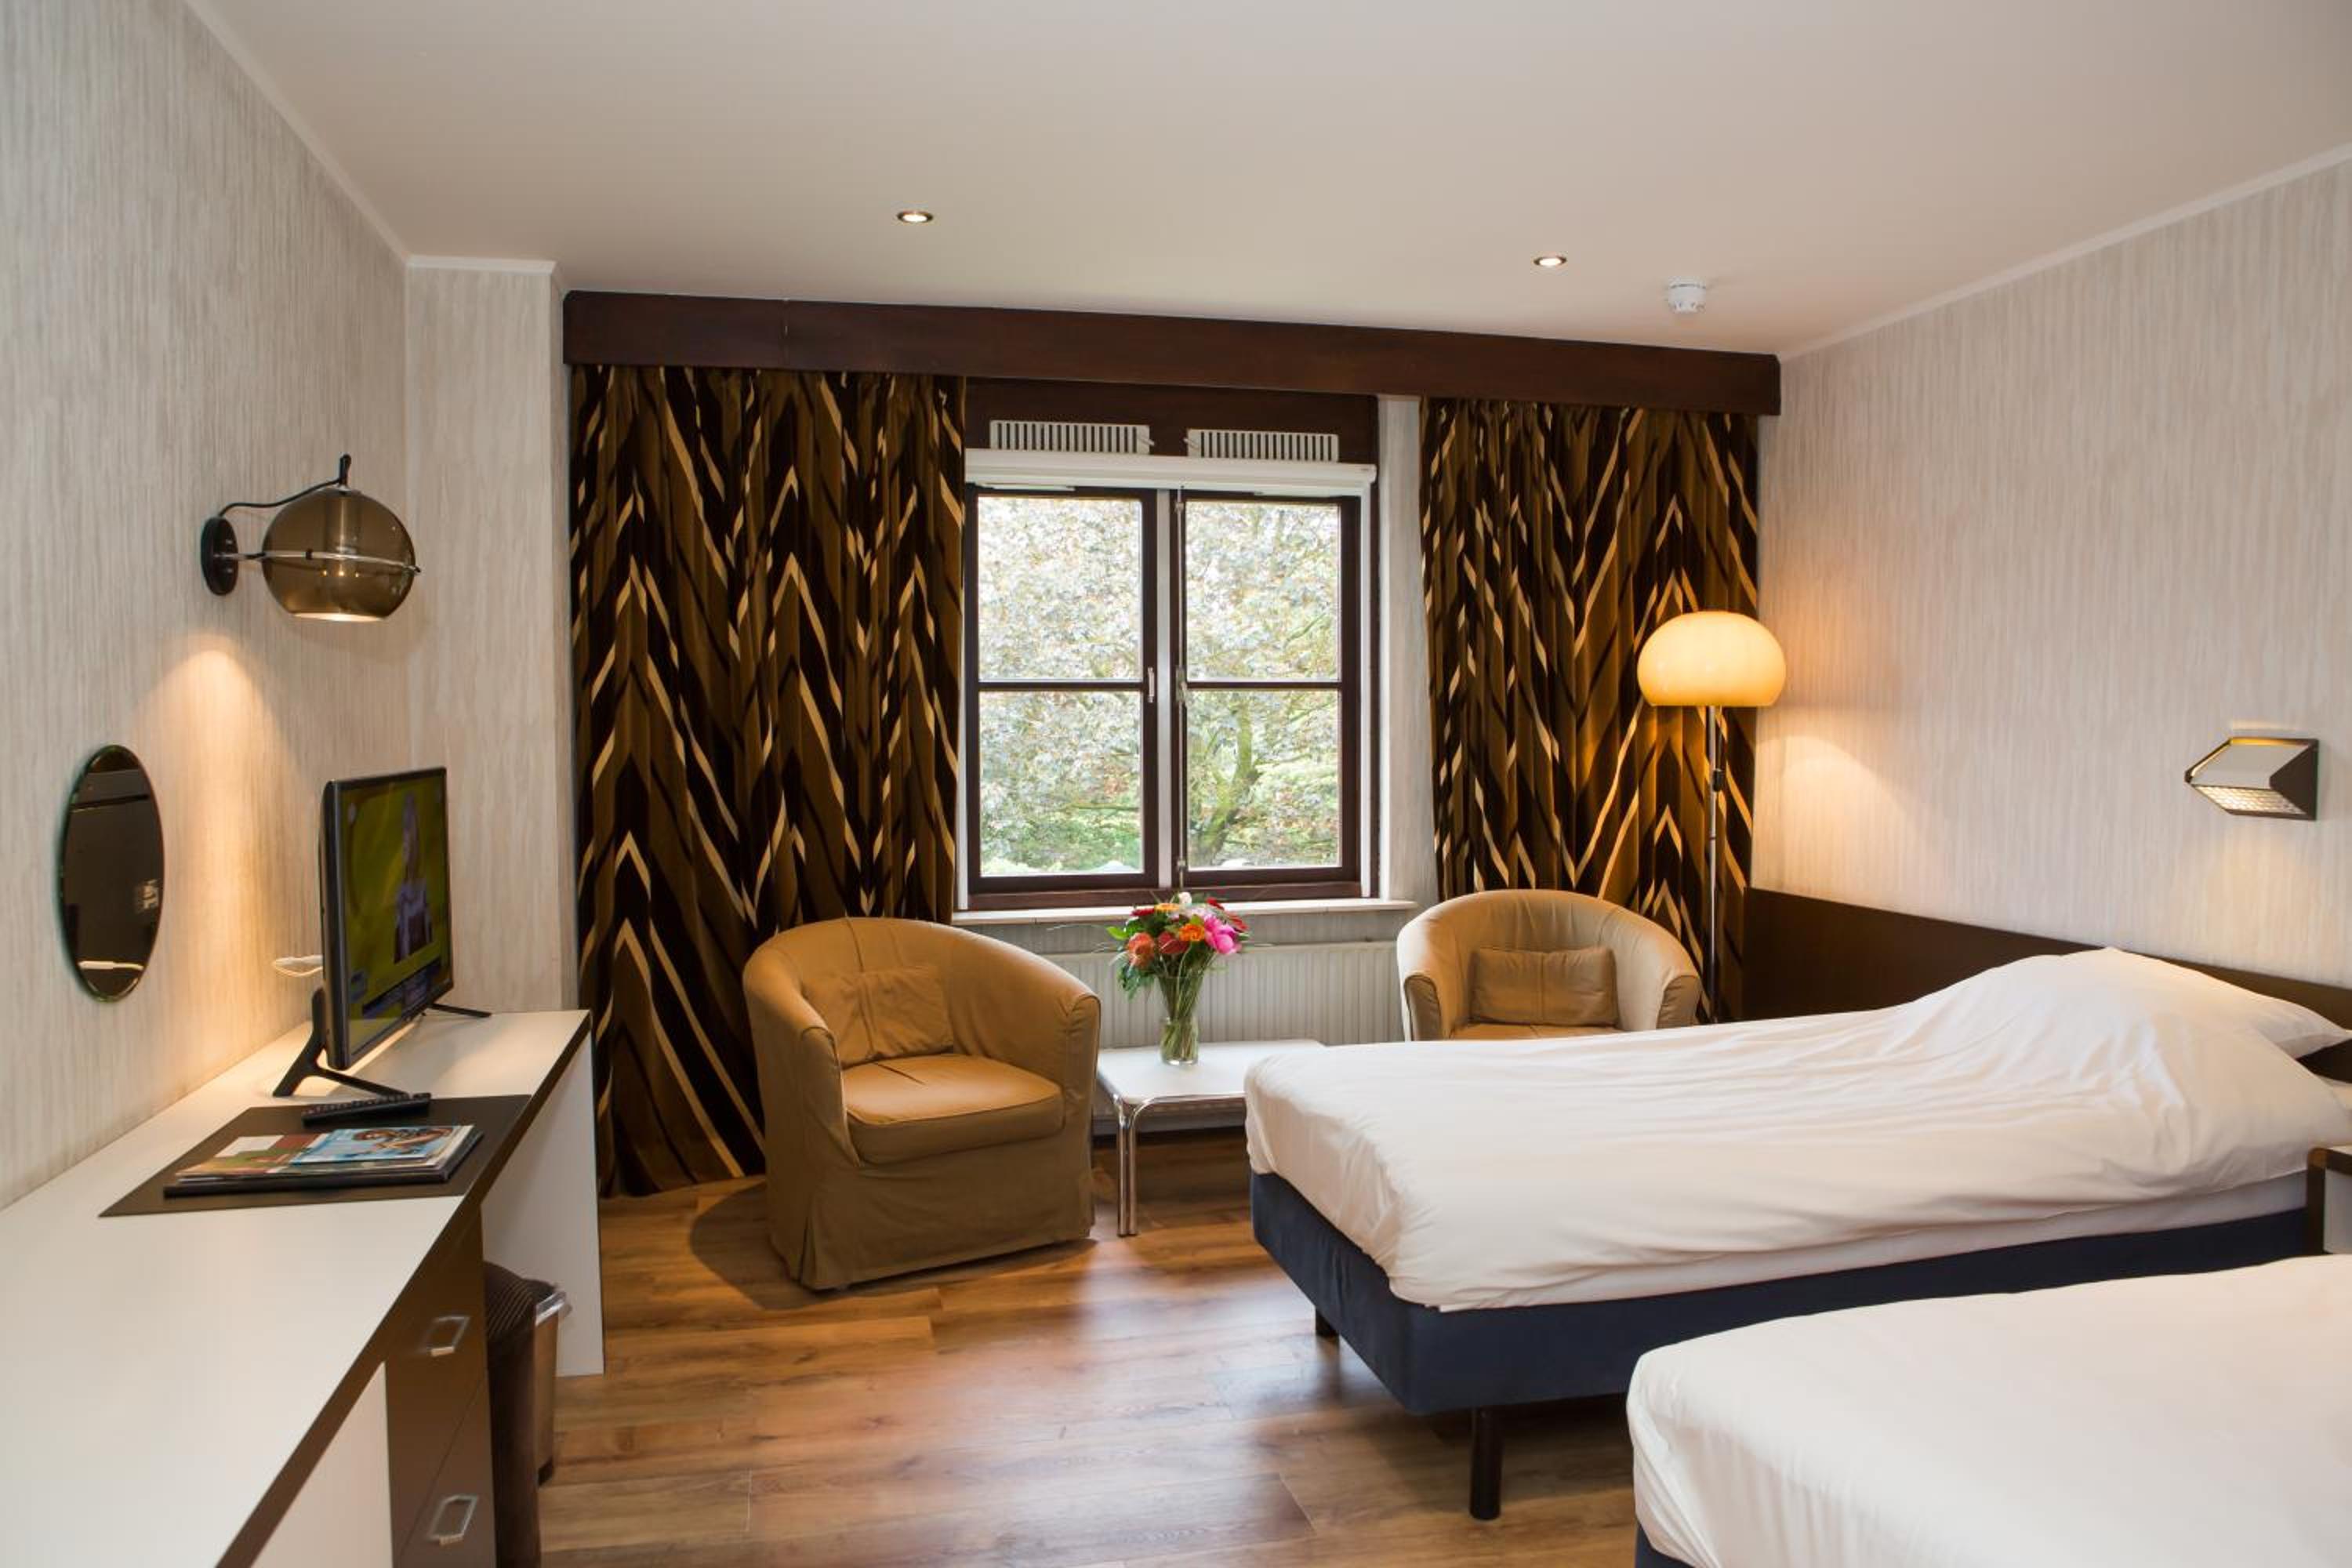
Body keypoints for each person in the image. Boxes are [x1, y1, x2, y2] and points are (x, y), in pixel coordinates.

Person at [392, 793, 434, 961]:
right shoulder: (400, 896)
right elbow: (400, 949)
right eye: (403, 845)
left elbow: (429, 937)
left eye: (409, 843)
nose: (405, 849)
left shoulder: (423, 888)